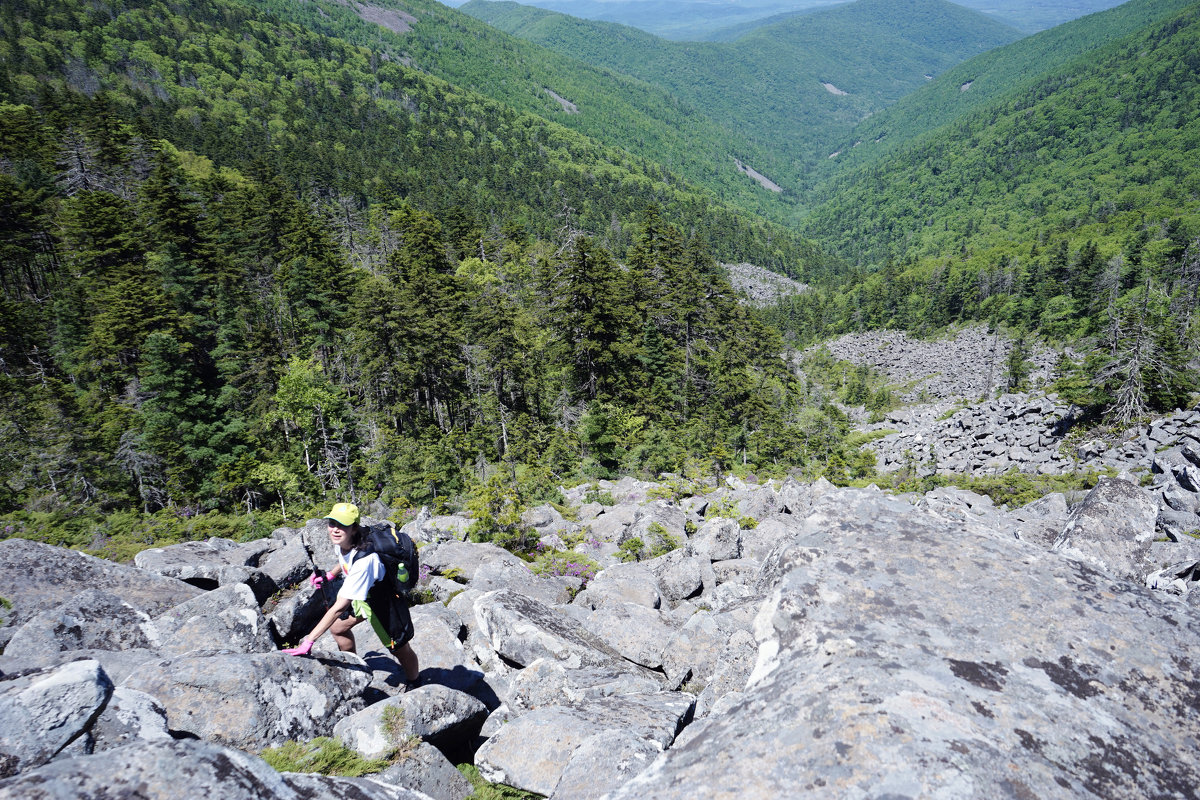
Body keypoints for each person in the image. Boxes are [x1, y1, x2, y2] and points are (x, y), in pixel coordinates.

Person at [283, 502, 419, 686]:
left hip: (382, 600)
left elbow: (339, 607)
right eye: (332, 523)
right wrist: (331, 575)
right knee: (338, 629)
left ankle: (415, 681)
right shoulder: (343, 542)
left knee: (399, 648)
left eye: (342, 525)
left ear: (354, 528)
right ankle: (354, 668)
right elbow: (345, 559)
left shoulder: (365, 560)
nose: (335, 530)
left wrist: (308, 641)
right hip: (363, 595)